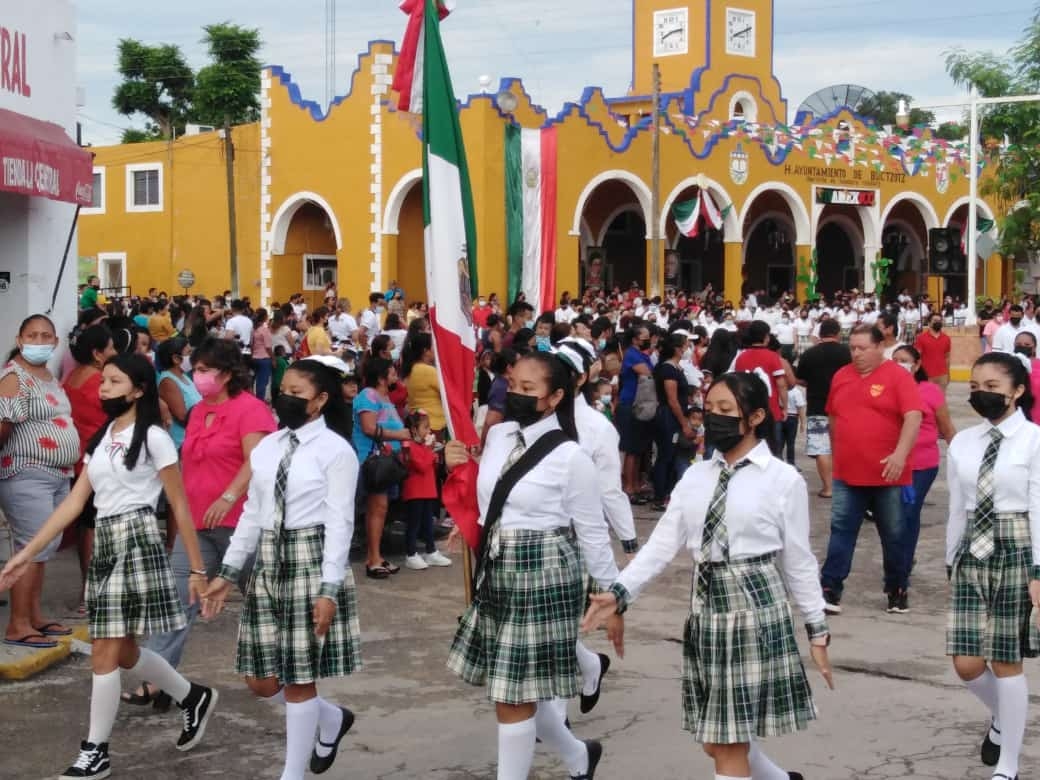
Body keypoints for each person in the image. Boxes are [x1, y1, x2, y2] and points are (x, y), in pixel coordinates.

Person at [583, 371, 832, 780]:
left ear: (753, 418)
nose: (712, 418)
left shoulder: (782, 479)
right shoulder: (696, 476)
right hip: (705, 612)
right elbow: (662, 544)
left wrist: (817, 629)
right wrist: (619, 592)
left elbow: (798, 560)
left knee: (727, 744)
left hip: (755, 611)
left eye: (725, 410)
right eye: (709, 408)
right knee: (716, 740)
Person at [0, 353, 217, 779]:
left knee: (104, 650)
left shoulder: (153, 436)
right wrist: (22, 556)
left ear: (138, 390)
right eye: (104, 382)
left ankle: (95, 751)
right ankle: (192, 697)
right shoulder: (101, 439)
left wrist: (196, 569)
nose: (104, 389)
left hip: (137, 541)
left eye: (115, 382)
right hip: (106, 543)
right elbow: (74, 505)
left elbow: (179, 505)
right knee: (125, 654)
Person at [444, 351, 622, 780]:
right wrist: (459, 476)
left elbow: (593, 533)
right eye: (513, 384)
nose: (516, 394)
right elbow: (491, 492)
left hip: (546, 574)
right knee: (519, 692)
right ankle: (580, 756)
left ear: (554, 396)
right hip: (499, 568)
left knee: (512, 697)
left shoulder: (570, 456)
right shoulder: (500, 434)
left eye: (529, 389)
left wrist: (615, 598)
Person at [202, 358, 361, 780]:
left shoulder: (336, 451)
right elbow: (253, 513)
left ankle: (291, 774)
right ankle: (331, 719)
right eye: (283, 390)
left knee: (298, 678)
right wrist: (228, 573)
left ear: (321, 400)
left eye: (297, 393)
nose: (285, 398)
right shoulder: (269, 447)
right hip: (269, 564)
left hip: (311, 560)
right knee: (260, 680)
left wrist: (329, 589)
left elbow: (341, 523)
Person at [129, 338, 276, 707]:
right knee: (176, 599)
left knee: (263, 600)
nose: (198, 376)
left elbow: (256, 462)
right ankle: (159, 682)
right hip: (196, 525)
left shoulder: (251, 410)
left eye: (205, 370)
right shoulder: (197, 412)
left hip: (241, 524)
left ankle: (283, 671)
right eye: (196, 369)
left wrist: (228, 496)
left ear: (227, 374)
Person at [945, 352, 1040, 780]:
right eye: (975, 387)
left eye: (992, 388)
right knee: (965, 662)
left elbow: (1039, 508)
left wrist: (1039, 570)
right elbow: (957, 507)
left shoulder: (1035, 442)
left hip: (1017, 546)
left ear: (1018, 392)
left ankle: (1008, 766)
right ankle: (1004, 716)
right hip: (971, 553)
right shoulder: (965, 442)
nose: (981, 394)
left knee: (1005, 660)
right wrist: (951, 558)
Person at [819, 325, 923, 615]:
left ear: (880, 347)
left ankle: (896, 588)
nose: (857, 354)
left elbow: (913, 416)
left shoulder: (897, 377)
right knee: (841, 530)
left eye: (863, 348)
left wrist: (900, 455)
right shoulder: (841, 376)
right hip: (847, 473)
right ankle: (830, 588)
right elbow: (834, 418)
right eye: (852, 348)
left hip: (888, 474)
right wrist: (838, 451)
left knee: (893, 534)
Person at [0, 314, 81, 649]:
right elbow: (2, 425)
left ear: (55, 342)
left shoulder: (47, 374)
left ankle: (33, 615)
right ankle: (18, 623)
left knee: (43, 546)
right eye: (31, 335)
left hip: (57, 474)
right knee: (30, 546)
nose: (39, 340)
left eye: (45, 335)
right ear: (20, 341)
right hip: (26, 472)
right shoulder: (13, 376)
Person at [891, 345, 956, 614]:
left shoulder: (930, 391)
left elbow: (947, 428)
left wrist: (963, 460)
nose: (898, 364)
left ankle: (898, 583)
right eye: (894, 360)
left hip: (921, 466)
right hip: (889, 466)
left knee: (906, 516)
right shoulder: (886, 389)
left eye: (904, 361)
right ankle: (900, 566)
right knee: (894, 521)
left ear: (917, 365)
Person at [63, 324, 119, 613]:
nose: (114, 352)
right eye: (110, 348)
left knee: (87, 525)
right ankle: (93, 593)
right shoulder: (100, 380)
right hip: (100, 458)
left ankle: (88, 590)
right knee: (95, 526)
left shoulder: (72, 376)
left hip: (78, 458)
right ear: (98, 354)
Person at [353, 357, 411, 578]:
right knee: (377, 509)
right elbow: (369, 428)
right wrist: (399, 434)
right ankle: (373, 558)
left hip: (387, 462)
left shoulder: (384, 397)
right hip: (373, 461)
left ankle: (375, 555)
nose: (395, 374)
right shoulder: (367, 396)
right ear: (380, 376)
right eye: (391, 371)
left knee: (380, 509)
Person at [795, 319, 850, 499]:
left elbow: (800, 379)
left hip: (817, 405)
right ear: (837, 333)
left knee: (821, 448)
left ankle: (828, 488)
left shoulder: (810, 354)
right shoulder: (847, 353)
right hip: (844, 407)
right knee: (843, 446)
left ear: (821, 333)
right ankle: (845, 484)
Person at [401, 410, 451, 570]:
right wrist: (430, 451)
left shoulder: (422, 446)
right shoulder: (408, 446)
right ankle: (410, 554)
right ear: (414, 429)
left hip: (428, 490)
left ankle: (431, 551)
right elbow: (421, 466)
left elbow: (430, 466)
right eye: (425, 427)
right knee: (414, 523)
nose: (429, 431)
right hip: (415, 491)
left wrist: (434, 454)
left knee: (428, 522)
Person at [651, 332, 694, 510]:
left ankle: (668, 491)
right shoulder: (668, 369)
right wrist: (684, 423)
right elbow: (672, 399)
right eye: (685, 345)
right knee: (666, 456)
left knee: (673, 455)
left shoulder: (677, 368)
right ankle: (660, 495)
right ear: (677, 349)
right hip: (668, 416)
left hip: (675, 415)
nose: (687, 349)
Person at [734, 321, 787, 455]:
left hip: (747, 411)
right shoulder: (773, 356)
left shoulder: (741, 357)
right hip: (772, 411)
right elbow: (781, 383)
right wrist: (785, 406)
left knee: (748, 450)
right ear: (766, 337)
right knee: (774, 452)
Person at [618, 325, 654, 502]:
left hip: (641, 404)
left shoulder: (642, 354)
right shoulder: (632, 354)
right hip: (630, 403)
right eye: (645, 337)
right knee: (631, 449)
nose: (648, 339)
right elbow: (647, 373)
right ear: (635, 339)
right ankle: (628, 486)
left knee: (639, 449)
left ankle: (636, 484)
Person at [155, 338, 202, 451]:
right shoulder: (168, 381)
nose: (192, 356)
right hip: (182, 444)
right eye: (189, 352)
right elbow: (182, 417)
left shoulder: (184, 376)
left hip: (195, 437)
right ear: (176, 359)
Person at [401, 333, 447, 436]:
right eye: (433, 346)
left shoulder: (410, 369)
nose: (436, 349)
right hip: (434, 424)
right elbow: (447, 392)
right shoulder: (427, 370)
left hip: (421, 424)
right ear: (425, 351)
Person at [914, 312, 952, 390]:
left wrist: (948, 374)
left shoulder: (946, 338)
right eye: (935, 320)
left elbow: (947, 357)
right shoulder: (921, 338)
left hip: (942, 376)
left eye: (940, 320)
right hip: (927, 376)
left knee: (941, 400)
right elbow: (917, 358)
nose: (938, 322)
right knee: (927, 400)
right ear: (929, 323)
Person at [781, 381, 806, 468]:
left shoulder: (780, 390)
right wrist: (803, 423)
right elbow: (800, 408)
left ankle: (779, 461)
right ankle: (791, 463)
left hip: (781, 417)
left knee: (780, 442)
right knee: (790, 442)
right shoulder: (796, 392)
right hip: (792, 418)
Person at [251, 308, 274, 401]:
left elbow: (251, 345)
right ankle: (260, 402)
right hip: (264, 359)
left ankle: (251, 401)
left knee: (252, 382)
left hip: (254, 358)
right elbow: (268, 347)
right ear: (265, 317)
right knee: (262, 383)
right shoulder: (264, 330)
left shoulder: (253, 329)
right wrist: (273, 358)